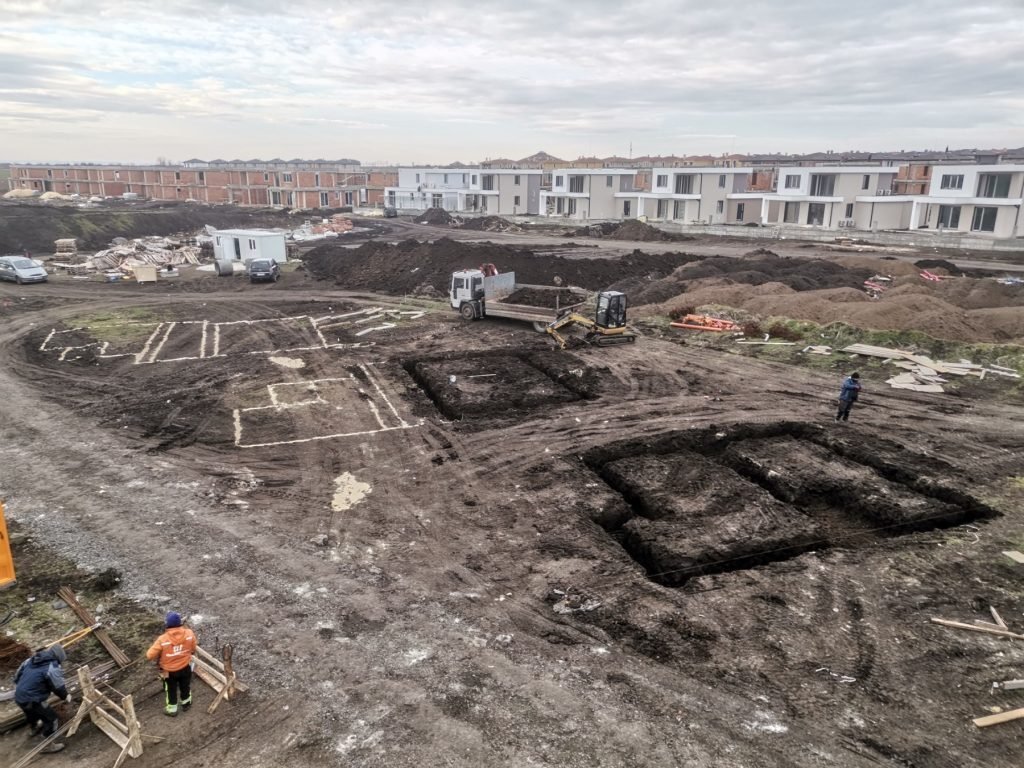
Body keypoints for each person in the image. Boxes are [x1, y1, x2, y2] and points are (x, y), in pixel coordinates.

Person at [14, 643, 71, 753]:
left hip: (19, 696)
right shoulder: (52, 667)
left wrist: (23, 687)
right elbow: (58, 687)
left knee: (31, 713)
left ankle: (33, 729)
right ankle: (47, 744)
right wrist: (66, 696)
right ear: (57, 657)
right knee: (52, 719)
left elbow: (17, 676)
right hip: (34, 699)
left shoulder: (30, 660)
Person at [146, 612, 197, 717]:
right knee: (185, 685)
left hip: (169, 671)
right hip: (185, 667)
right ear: (180, 623)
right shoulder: (189, 633)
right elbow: (193, 649)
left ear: (167, 624)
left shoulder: (162, 639)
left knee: (170, 689)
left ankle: (172, 709)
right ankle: (186, 703)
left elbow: (149, 655)